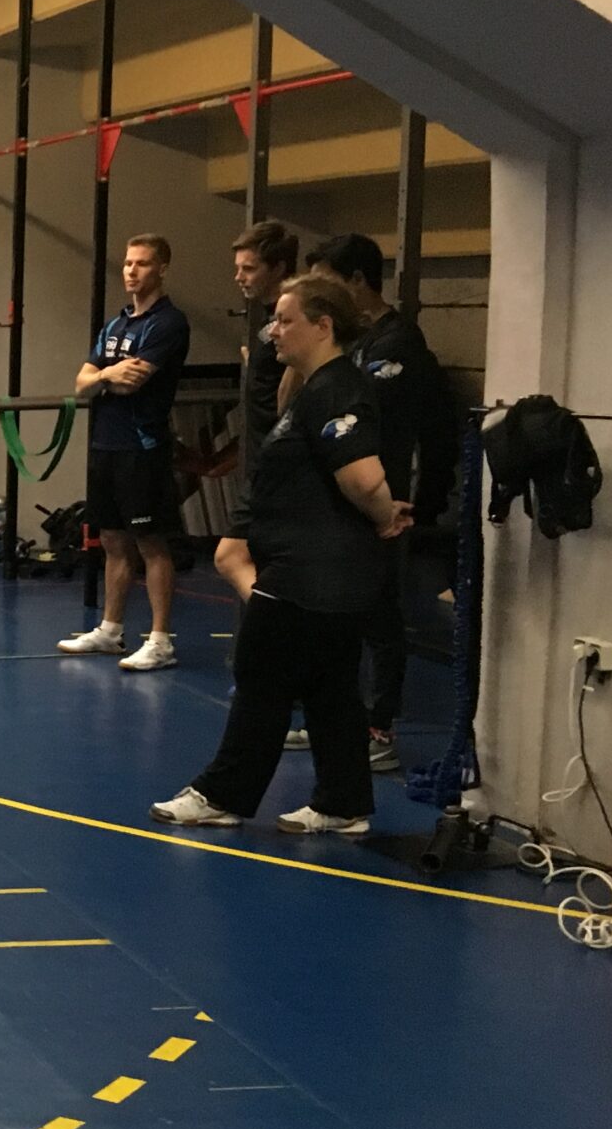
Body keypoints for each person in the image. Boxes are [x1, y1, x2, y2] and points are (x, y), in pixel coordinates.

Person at [152, 276, 410, 837]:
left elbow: (364, 478)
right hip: (315, 571)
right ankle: (343, 802)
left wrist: (384, 514)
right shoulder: (316, 388)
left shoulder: (338, 389)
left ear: (323, 326)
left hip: (310, 571)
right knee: (329, 687)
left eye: (286, 320)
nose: (274, 331)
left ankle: (222, 794)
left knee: (261, 675)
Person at [310, 231, 453, 775]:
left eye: (329, 284)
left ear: (357, 281)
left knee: (379, 617)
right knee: (336, 615)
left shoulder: (398, 345)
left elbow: (362, 414)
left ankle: (379, 729)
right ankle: (336, 719)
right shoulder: (356, 341)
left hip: (385, 501)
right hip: (346, 499)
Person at [60, 233, 190, 671]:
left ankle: (160, 640)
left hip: (142, 447)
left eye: (143, 263)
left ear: (162, 269)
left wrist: (105, 376)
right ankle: (110, 630)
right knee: (113, 540)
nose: (132, 271)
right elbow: (82, 383)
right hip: (106, 444)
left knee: (150, 542)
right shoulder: (115, 326)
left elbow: (133, 381)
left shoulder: (168, 323)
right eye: (128, 263)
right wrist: (106, 375)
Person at [218, 221, 297, 599]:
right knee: (256, 557)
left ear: (278, 268)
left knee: (230, 556)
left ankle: (276, 620)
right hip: (263, 456)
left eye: (249, 269)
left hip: (281, 459)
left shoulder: (294, 318)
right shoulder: (268, 320)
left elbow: (298, 380)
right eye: (238, 268)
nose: (239, 277)